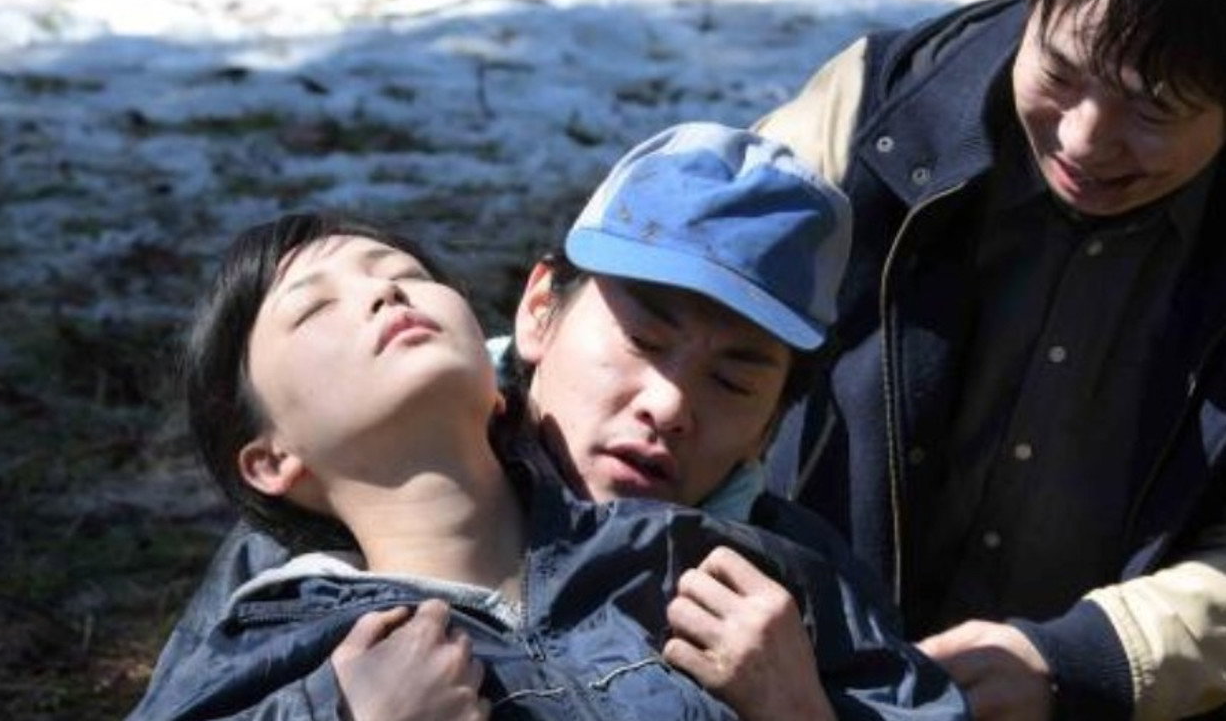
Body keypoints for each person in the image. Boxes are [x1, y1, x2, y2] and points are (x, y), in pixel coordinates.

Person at [752, 0, 1226, 718]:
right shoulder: (879, 110)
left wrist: (1086, 660)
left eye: (1153, 108)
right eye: (1061, 72)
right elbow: (669, 348)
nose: (1083, 140)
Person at [130, 124, 963, 721]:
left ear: (770, 431)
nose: (669, 406)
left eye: (735, 381)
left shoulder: (776, 584)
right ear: (537, 314)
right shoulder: (290, 583)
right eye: (642, 340)